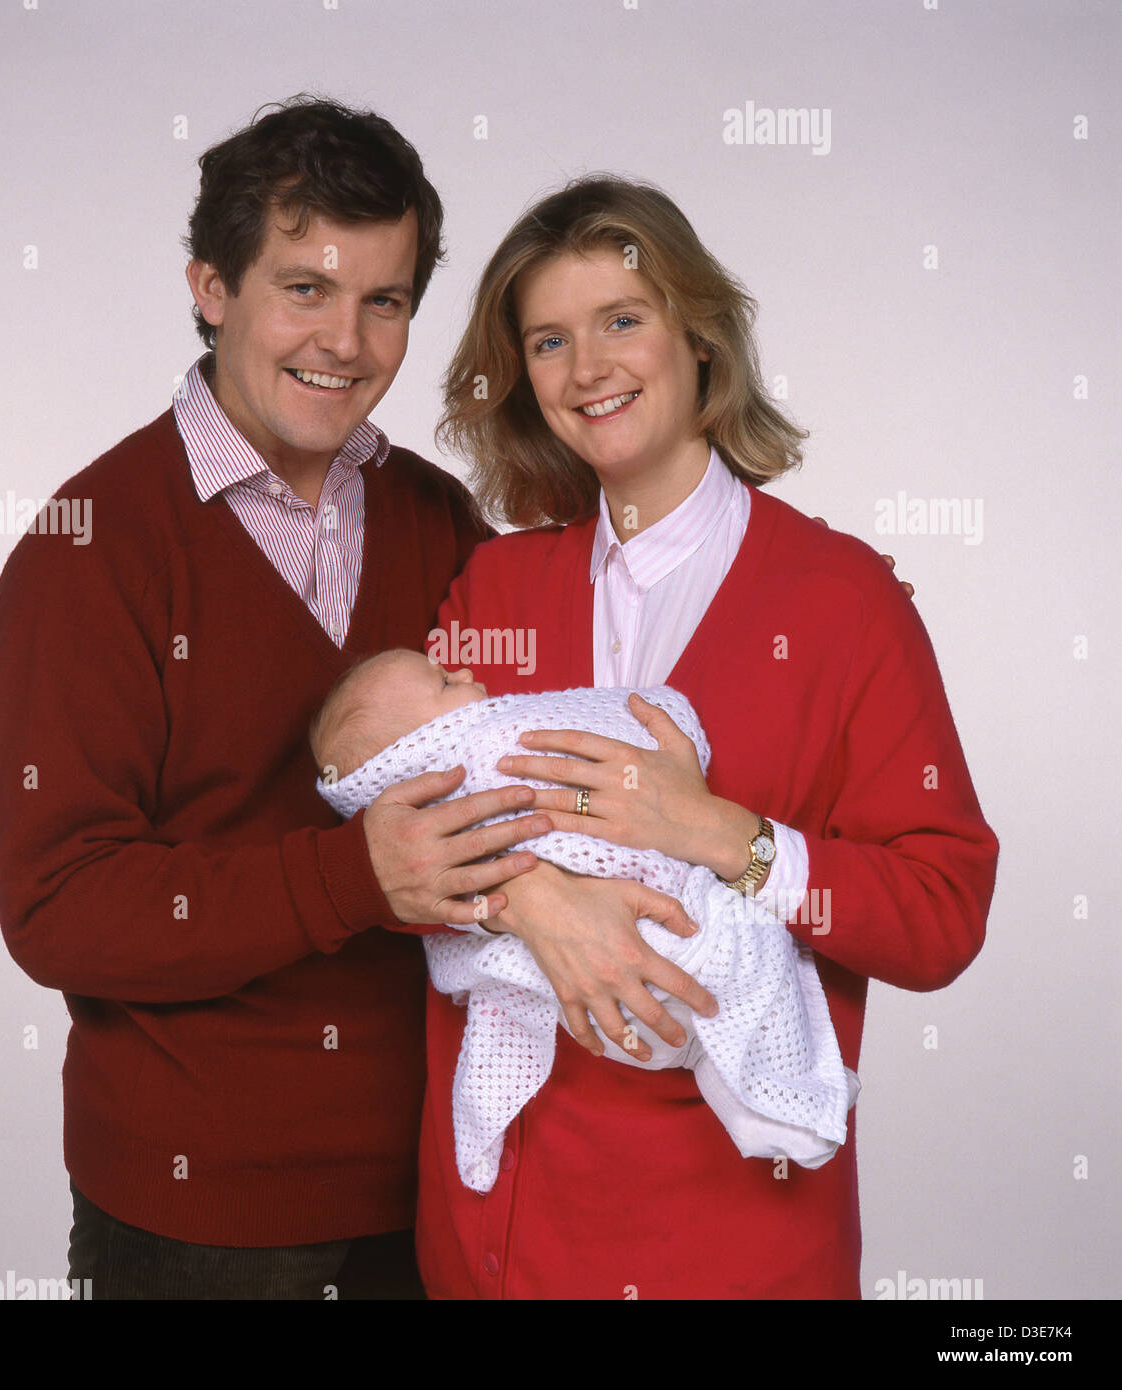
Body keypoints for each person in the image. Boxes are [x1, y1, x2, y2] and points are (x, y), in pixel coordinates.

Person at [0, 96, 556, 1300]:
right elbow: (57, 905)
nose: (344, 340)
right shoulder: (90, 548)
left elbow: (564, 705)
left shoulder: (434, 519)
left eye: (385, 300)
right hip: (201, 1221)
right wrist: (356, 877)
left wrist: (803, 598)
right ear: (211, 286)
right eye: (305, 288)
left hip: (439, 1185)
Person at [408, 175, 1000, 1299]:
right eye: (548, 340)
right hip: (504, 1237)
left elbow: (940, 915)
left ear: (701, 339)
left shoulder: (843, 603)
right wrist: (532, 899)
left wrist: (728, 835)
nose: (588, 369)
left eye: (622, 320)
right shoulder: (494, 585)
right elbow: (399, 830)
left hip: (736, 1246)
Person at [308, 648, 860, 1194]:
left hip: (587, 1006)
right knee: (738, 937)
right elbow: (646, 726)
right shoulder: (492, 738)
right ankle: (781, 1095)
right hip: (622, 966)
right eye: (445, 685)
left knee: (700, 999)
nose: (464, 670)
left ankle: (757, 1092)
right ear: (417, 748)